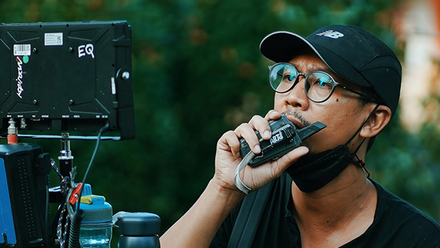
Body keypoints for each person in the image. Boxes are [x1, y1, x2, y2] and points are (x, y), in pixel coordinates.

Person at [160, 25, 440, 248]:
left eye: (321, 83)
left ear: (372, 120)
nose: (292, 97)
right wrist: (223, 189)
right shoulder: (245, 197)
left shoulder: (418, 238)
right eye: (287, 75)